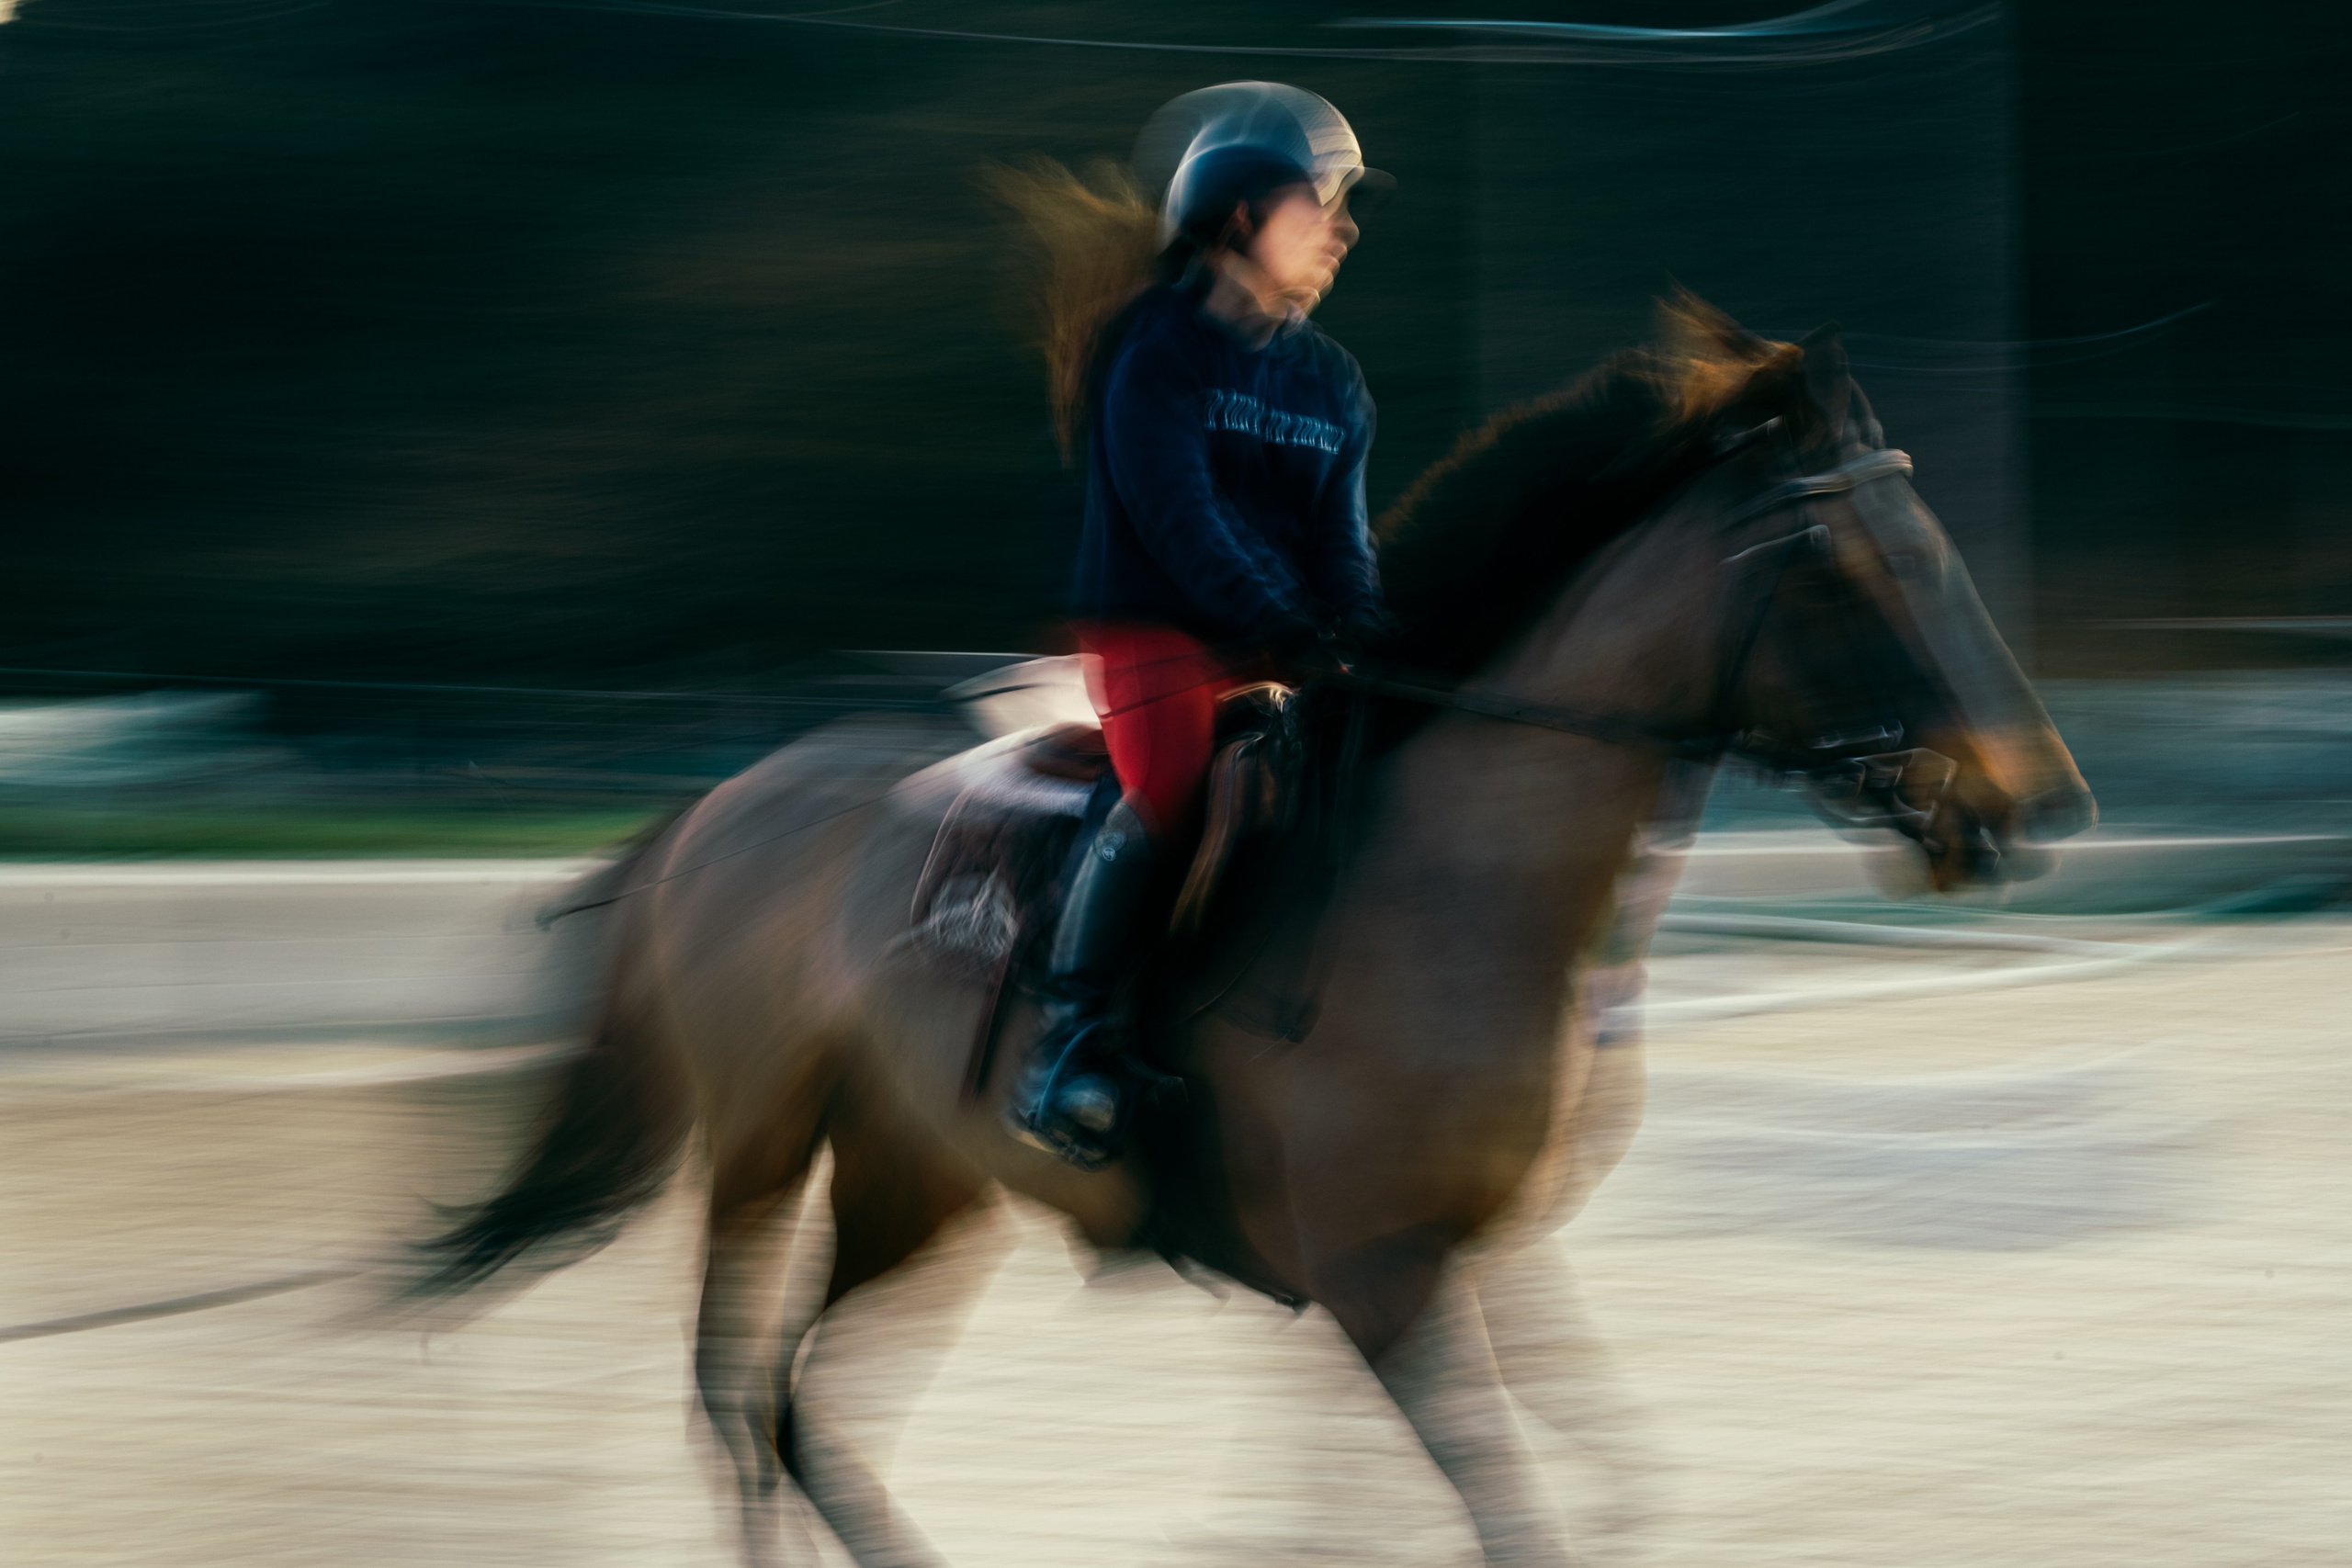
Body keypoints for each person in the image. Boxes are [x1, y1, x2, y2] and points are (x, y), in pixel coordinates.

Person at [1006, 83, 1391, 1169]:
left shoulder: (1332, 383)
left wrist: (1361, 637)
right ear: (1237, 219)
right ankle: (1067, 1041)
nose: (1344, 231)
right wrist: (1279, 623)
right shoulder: (1154, 349)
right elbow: (1179, 519)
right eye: (1321, 205)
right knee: (1171, 776)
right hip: (1153, 632)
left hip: (1278, 642)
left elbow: (1341, 542)